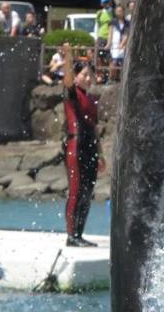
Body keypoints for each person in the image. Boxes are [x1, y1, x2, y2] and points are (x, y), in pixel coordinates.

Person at [62, 59, 102, 247]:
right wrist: (68, 54)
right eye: (84, 75)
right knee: (76, 191)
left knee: (87, 193)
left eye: (90, 75)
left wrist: (100, 154)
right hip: (75, 146)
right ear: (76, 76)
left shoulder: (91, 99)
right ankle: (71, 236)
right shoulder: (72, 94)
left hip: (90, 148)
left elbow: (94, 128)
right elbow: (67, 80)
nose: (88, 78)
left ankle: (79, 234)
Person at [108, 5, 129, 83]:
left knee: (122, 63)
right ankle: (111, 79)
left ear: (123, 12)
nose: (118, 13)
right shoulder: (112, 22)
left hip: (123, 45)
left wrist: (122, 44)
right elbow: (110, 34)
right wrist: (108, 44)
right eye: (117, 11)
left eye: (120, 11)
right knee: (113, 62)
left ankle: (120, 79)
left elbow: (127, 34)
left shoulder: (127, 23)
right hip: (114, 45)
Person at [95, 0, 114, 66]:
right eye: (105, 2)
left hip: (111, 37)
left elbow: (113, 26)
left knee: (110, 58)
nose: (106, 4)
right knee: (99, 57)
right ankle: (101, 74)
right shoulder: (99, 13)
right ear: (101, 4)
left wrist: (110, 42)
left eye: (108, 2)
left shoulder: (113, 12)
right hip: (101, 37)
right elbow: (97, 26)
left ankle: (111, 75)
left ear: (111, 2)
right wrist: (96, 37)